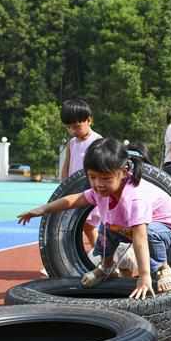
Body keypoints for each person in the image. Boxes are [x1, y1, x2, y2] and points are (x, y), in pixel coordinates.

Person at [18, 138, 171, 299]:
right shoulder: (101, 191)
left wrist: (144, 277)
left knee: (150, 232)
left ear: (123, 172)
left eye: (106, 178)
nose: (98, 184)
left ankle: (162, 269)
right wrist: (43, 209)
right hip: (144, 230)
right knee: (108, 226)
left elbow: (141, 237)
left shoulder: (135, 197)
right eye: (92, 177)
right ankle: (106, 267)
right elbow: (74, 200)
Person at [59, 98, 103, 249]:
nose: (73, 131)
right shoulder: (72, 143)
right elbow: (67, 165)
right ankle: (100, 258)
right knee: (81, 227)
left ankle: (104, 258)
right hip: (74, 193)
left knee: (85, 226)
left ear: (89, 120)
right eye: (69, 127)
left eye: (77, 126)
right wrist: (63, 186)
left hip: (91, 192)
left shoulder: (97, 142)